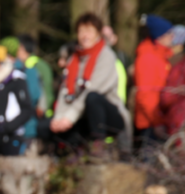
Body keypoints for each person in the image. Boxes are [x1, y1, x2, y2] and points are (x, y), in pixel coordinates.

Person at [48, 13, 132, 156]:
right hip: (81, 114)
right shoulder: (73, 59)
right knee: (47, 126)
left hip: (109, 114)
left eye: (89, 31)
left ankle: (98, 147)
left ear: (98, 34)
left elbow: (94, 89)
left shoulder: (107, 56)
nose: (85, 36)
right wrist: (59, 118)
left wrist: (70, 116)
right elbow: (65, 92)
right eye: (81, 31)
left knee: (93, 98)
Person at [134, 14, 176, 143]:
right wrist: (157, 122)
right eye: (169, 33)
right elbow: (145, 94)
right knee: (150, 160)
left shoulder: (163, 56)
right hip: (151, 124)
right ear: (159, 36)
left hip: (161, 121)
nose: (172, 37)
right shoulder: (147, 57)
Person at [16, 34, 55, 118]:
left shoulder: (35, 66)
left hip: (40, 114)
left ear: (21, 48)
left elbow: (45, 89)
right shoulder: (40, 64)